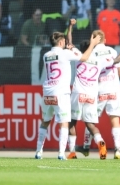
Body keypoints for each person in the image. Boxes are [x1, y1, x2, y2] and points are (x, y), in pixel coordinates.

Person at [34, 27, 101, 160]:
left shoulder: (46, 55)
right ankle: (61, 153)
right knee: (64, 123)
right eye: (64, 42)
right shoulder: (65, 53)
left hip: (47, 92)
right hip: (61, 93)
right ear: (60, 43)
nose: (65, 44)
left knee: (45, 122)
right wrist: (92, 44)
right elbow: (84, 57)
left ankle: (38, 152)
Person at [68, 28, 120, 160]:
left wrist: (70, 27)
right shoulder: (112, 51)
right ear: (105, 40)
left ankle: (85, 147)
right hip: (114, 90)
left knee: (88, 121)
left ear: (93, 39)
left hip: (97, 90)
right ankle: (117, 150)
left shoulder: (90, 53)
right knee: (115, 121)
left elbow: (70, 45)